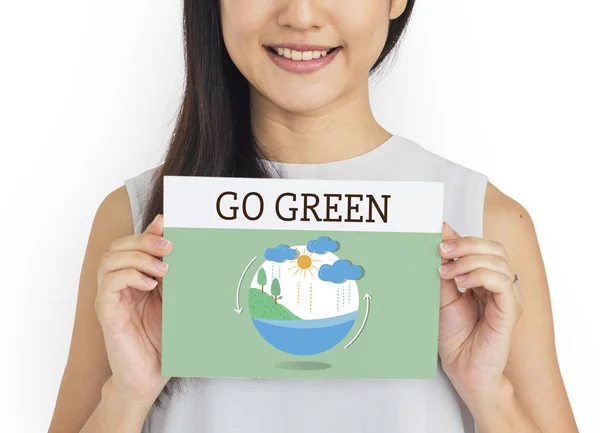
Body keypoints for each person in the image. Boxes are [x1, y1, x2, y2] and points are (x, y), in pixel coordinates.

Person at [48, 0, 579, 432]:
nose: (301, 15)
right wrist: (128, 393)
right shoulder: (138, 218)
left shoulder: (487, 222)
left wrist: (490, 394)